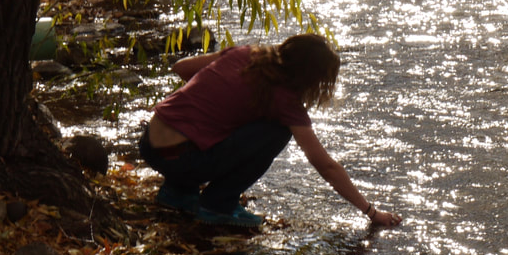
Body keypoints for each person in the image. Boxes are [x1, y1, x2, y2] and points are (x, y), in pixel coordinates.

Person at [138, 33, 403, 229]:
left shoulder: (245, 53)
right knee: (277, 132)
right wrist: (371, 212)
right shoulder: (285, 100)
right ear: (309, 78)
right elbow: (325, 165)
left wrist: (221, 99)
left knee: (228, 123)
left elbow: (181, 68)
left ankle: (178, 193)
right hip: (183, 160)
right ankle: (217, 204)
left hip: (150, 143)